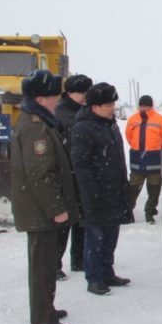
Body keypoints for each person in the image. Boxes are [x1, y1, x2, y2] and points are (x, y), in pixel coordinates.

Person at [10, 69, 80, 324]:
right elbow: (40, 174)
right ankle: (41, 319)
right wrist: (57, 209)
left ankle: (46, 308)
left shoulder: (38, 121)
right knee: (42, 266)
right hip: (40, 212)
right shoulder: (35, 127)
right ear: (41, 99)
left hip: (41, 210)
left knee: (47, 263)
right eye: (53, 97)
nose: (56, 101)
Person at [71, 82, 133, 296]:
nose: (113, 108)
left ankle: (107, 272)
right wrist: (92, 194)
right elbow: (81, 166)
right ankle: (94, 278)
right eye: (108, 104)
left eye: (113, 103)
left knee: (110, 236)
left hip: (114, 190)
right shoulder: (83, 128)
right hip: (96, 193)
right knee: (96, 237)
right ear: (95, 107)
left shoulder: (110, 124)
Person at [53, 73, 92, 277]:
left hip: (82, 174)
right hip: (66, 175)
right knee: (64, 223)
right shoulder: (60, 113)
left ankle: (79, 260)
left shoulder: (86, 111)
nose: (85, 95)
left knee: (82, 221)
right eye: (81, 92)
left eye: (87, 91)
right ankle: (55, 265)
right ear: (69, 93)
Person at [126, 95, 162, 225]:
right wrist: (137, 148)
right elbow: (129, 136)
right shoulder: (133, 119)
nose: (144, 108)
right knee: (133, 188)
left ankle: (150, 211)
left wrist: (159, 150)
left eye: (146, 106)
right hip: (137, 159)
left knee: (154, 189)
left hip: (154, 160)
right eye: (142, 105)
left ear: (151, 106)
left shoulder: (161, 120)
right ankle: (127, 212)